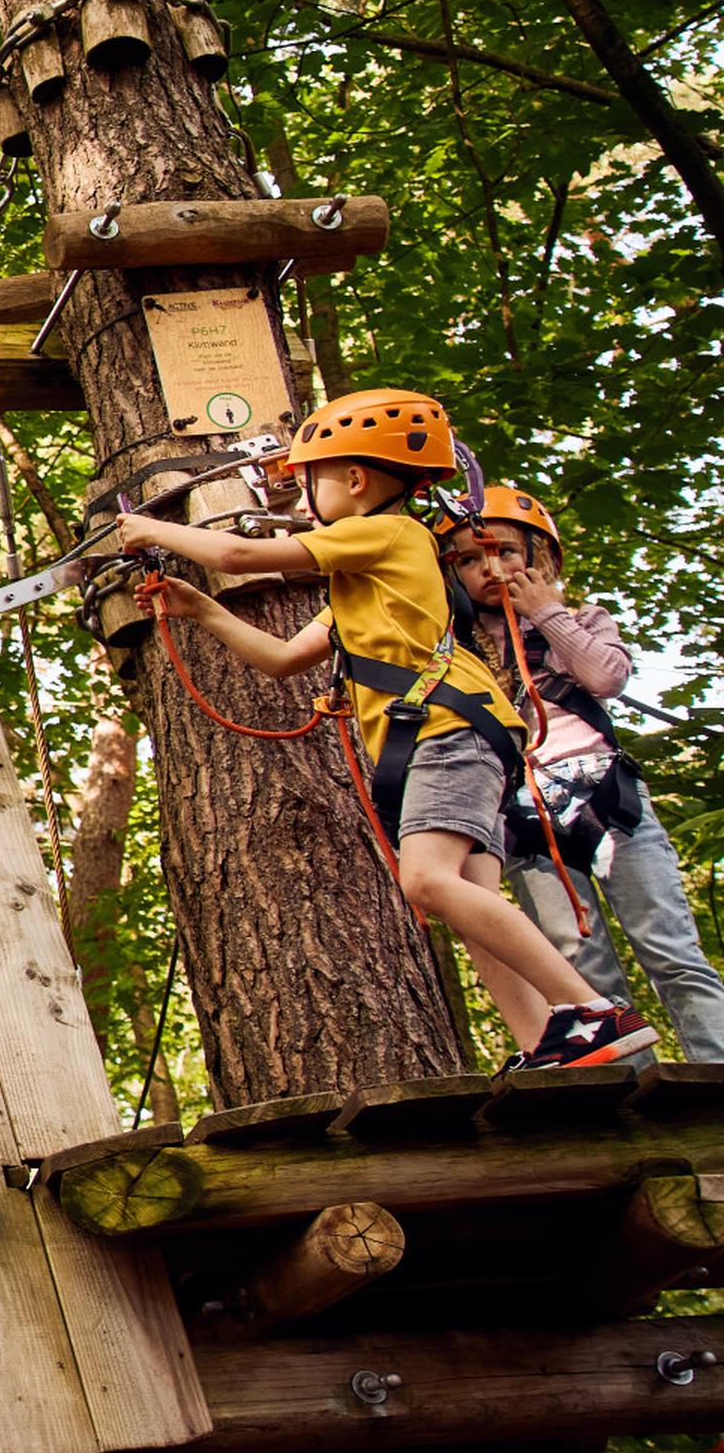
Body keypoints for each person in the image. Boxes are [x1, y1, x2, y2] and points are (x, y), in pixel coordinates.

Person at [118, 387, 654, 1069]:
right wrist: (201, 612)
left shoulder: (390, 532)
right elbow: (283, 660)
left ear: (354, 479)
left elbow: (239, 558)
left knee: (427, 882)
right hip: (464, 732)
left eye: (309, 484)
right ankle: (542, 1044)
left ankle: (591, 1011)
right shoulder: (372, 579)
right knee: (470, 899)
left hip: (447, 730)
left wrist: (151, 530)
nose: (306, 501)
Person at [439, 484, 724, 1063]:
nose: (490, 567)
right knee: (576, 959)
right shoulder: (458, 649)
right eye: (468, 559)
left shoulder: (581, 619)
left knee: (670, 949)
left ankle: (715, 1063)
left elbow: (605, 679)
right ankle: (630, 1092)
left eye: (505, 551)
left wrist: (545, 612)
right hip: (525, 814)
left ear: (539, 558)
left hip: (609, 800)